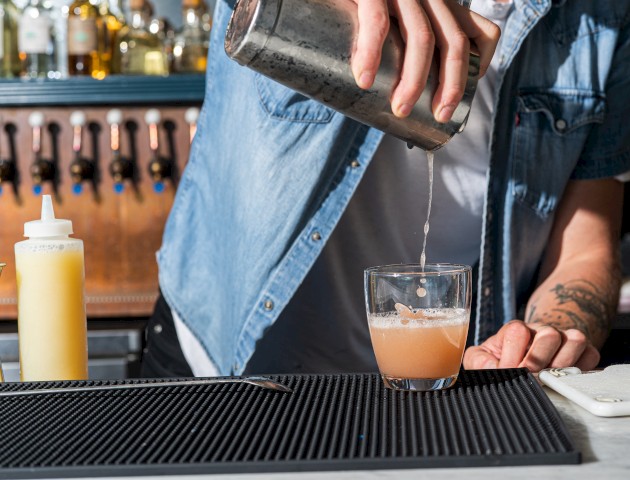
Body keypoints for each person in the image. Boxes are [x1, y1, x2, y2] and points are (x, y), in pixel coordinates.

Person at [140, 0, 630, 378]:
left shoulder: (604, 18)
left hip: (436, 383)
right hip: (222, 358)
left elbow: (585, 249)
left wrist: (553, 335)